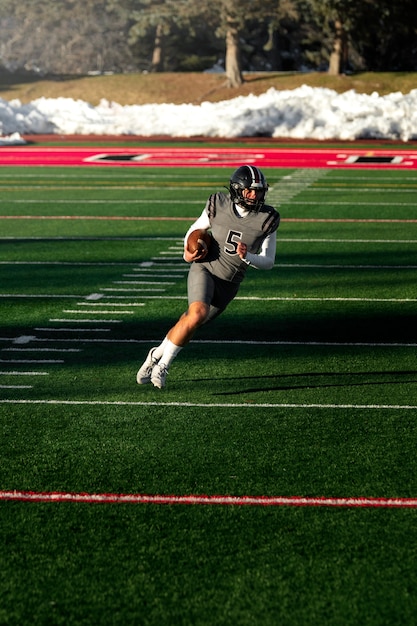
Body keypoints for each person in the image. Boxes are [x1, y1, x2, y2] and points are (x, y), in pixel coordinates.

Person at [136, 164, 280, 389]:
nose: (254, 196)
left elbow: (269, 261)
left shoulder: (267, 218)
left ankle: (154, 355)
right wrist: (187, 252)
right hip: (206, 268)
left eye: (259, 191)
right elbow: (195, 229)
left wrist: (248, 256)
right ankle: (163, 366)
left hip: (230, 282)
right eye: (249, 191)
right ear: (237, 190)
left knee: (191, 321)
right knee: (197, 314)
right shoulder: (218, 204)